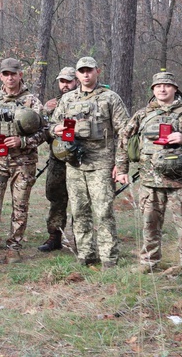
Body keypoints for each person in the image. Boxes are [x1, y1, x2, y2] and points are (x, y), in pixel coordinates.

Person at [117, 71, 182, 274]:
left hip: (181, 183)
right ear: (153, 90)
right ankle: (149, 263)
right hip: (150, 182)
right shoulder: (143, 115)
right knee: (149, 226)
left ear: (175, 89)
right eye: (158, 86)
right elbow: (124, 139)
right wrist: (121, 168)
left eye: (167, 85)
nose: (162, 89)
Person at [50, 56, 130, 269]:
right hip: (75, 164)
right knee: (79, 211)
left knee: (103, 212)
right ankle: (85, 254)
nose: (86, 74)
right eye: (82, 71)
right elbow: (52, 125)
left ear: (98, 71)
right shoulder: (67, 100)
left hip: (102, 164)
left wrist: (120, 165)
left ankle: (109, 258)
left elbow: (125, 131)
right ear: (76, 74)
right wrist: (55, 129)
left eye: (89, 70)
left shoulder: (110, 98)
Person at [0, 58, 47, 267]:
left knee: (20, 206)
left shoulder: (32, 101)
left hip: (23, 163)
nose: (10, 77)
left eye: (13, 73)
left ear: (20, 75)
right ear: (0, 76)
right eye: (6, 74)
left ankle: (14, 248)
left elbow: (45, 131)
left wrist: (23, 141)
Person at [38, 67, 79, 253]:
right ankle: (55, 236)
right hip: (57, 159)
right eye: (62, 81)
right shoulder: (53, 105)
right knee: (56, 198)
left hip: (80, 159)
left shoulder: (84, 100)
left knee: (81, 200)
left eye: (69, 81)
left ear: (76, 81)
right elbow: (43, 132)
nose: (65, 85)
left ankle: (81, 240)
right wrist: (46, 113)